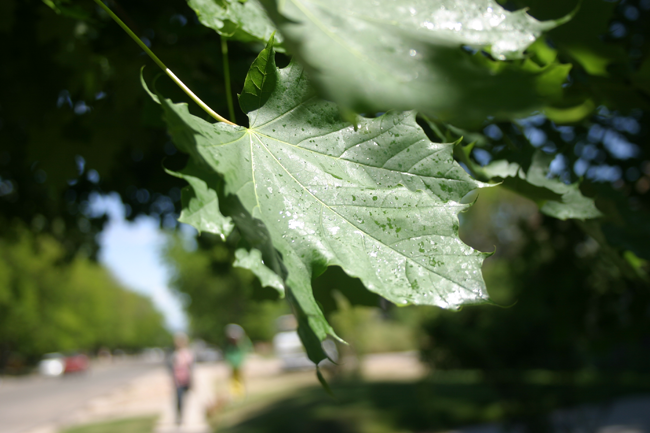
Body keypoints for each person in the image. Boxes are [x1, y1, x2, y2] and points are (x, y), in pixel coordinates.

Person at [169, 332, 194, 425]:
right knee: (179, 399)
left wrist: (192, 381)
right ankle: (179, 416)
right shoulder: (174, 354)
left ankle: (183, 415)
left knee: (185, 398)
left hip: (186, 379)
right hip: (177, 380)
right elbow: (171, 368)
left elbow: (191, 367)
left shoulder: (188, 353)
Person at [223, 324, 252, 400]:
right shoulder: (230, 347)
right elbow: (228, 356)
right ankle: (234, 394)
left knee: (241, 379)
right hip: (233, 366)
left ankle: (242, 394)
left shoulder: (240, 346)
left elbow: (246, 347)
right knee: (233, 381)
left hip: (239, 365)